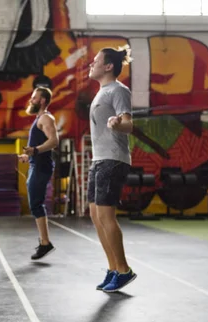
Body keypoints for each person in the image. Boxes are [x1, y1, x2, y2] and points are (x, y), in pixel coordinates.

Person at [87, 45, 137, 293]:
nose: (91, 64)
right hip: (98, 159)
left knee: (106, 217)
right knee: (96, 217)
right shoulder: (101, 92)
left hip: (113, 159)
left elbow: (128, 124)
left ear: (108, 66)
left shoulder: (119, 90)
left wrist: (118, 124)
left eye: (96, 60)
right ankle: (113, 269)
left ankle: (124, 269)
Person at [19, 86, 59, 260]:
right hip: (36, 164)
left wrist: (35, 150)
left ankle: (45, 243)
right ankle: (44, 242)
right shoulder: (39, 119)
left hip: (41, 167)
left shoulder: (46, 118)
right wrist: (28, 156)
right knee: (35, 203)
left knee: (36, 204)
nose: (31, 100)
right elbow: (41, 147)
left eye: (34, 98)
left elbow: (54, 141)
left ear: (42, 100)